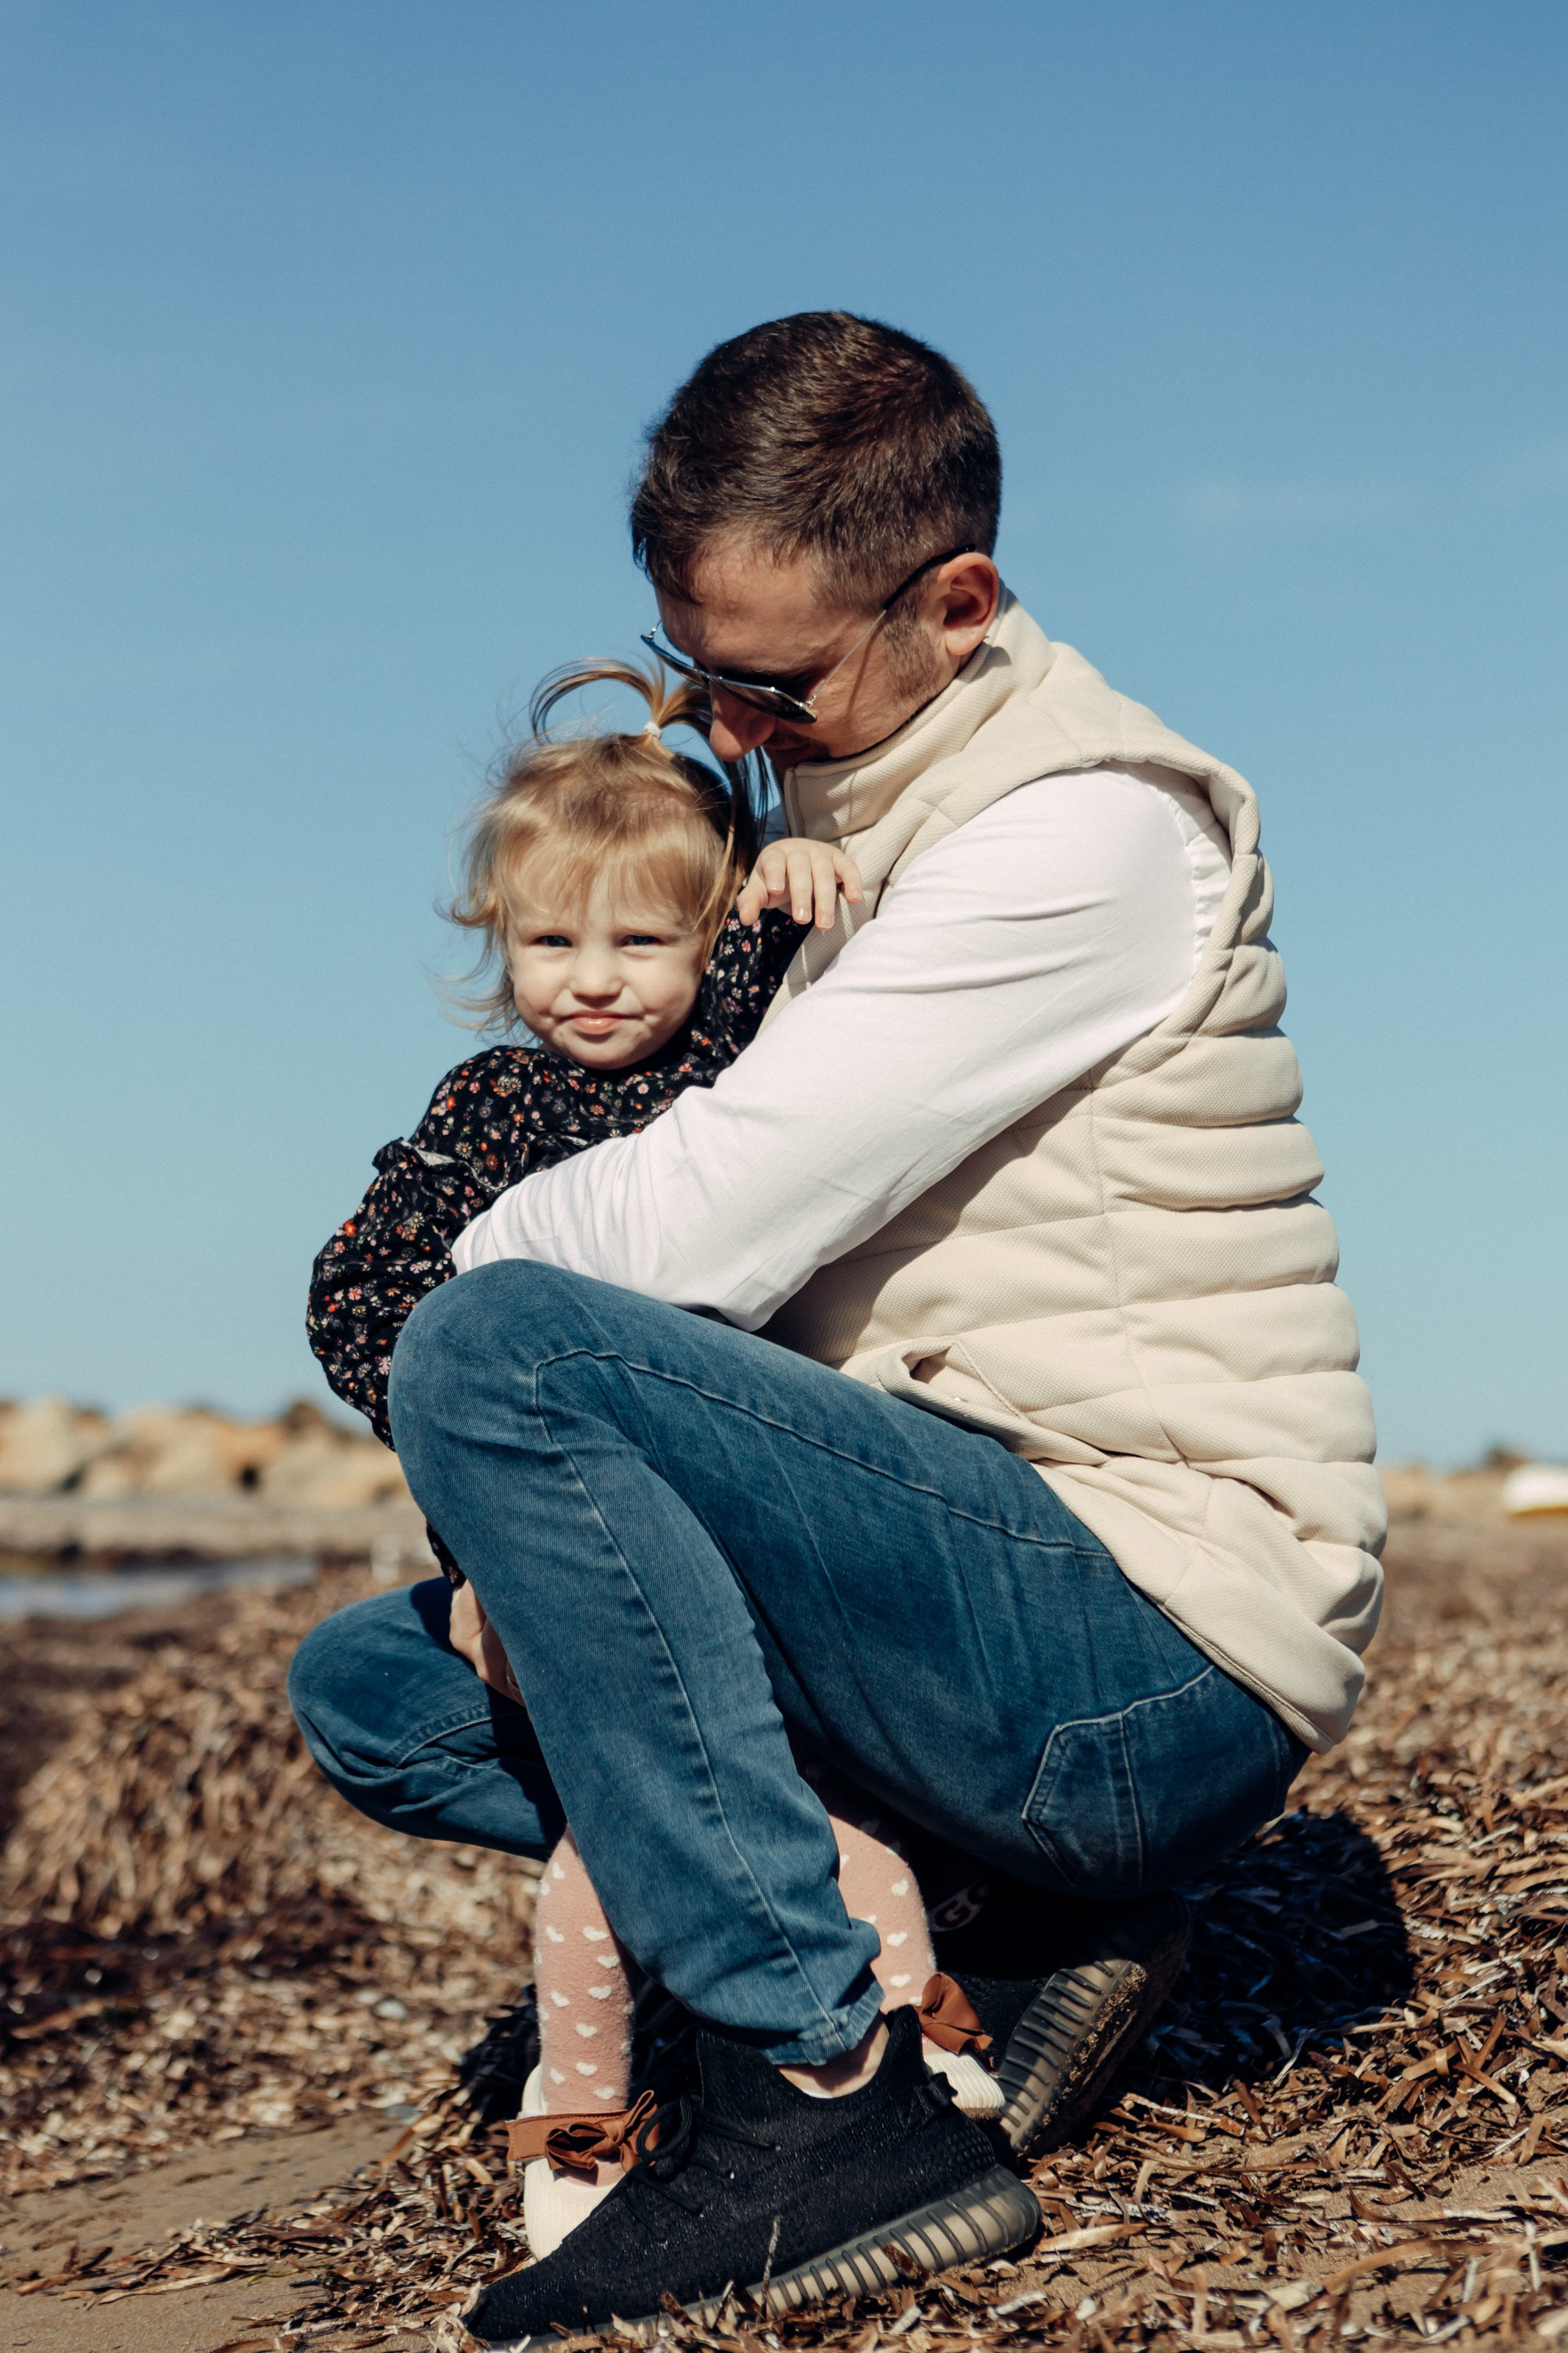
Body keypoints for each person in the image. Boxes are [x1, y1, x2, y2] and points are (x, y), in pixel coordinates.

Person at [290, 313, 1384, 2344]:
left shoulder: (1077, 832)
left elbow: (689, 1230)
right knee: (379, 1687)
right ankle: (986, 1909)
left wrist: (444, 1293)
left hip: (1140, 1638)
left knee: (503, 1348)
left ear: (952, 602)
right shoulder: (810, 825)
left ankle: (824, 2093)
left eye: (764, 684)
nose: (723, 722)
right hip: (954, 1576)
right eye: (691, 669)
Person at [301, 656, 999, 2261]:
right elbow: (360, 1289)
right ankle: (827, 1983)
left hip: (739, 1525)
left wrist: (790, 892)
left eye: (641, 940)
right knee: (454, 1730)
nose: (592, 980)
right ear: (499, 944)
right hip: (550, 1539)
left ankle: (879, 2027)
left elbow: (820, 1014)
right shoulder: (487, 1109)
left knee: (690, 1790)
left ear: (704, 941)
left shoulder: (740, 1059)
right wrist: (477, 1533)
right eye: (551, 941)